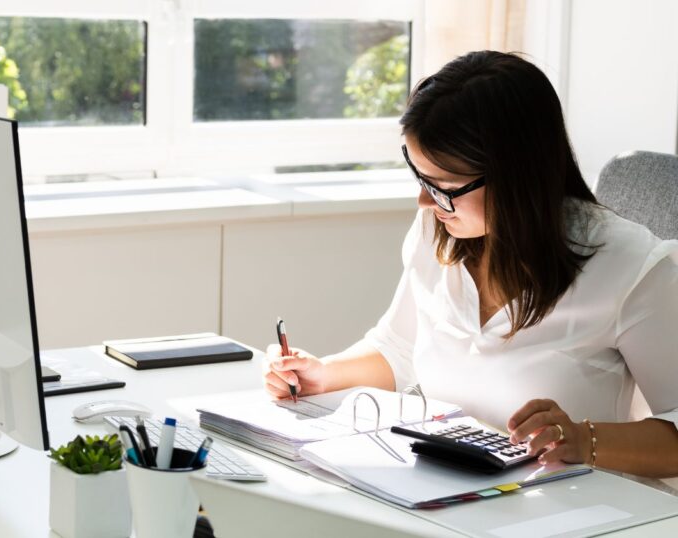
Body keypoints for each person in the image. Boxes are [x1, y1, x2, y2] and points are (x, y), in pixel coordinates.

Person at [263, 51, 678, 478]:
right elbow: (399, 348)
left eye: (443, 187)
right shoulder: (438, 231)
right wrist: (325, 375)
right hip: (449, 485)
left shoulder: (634, 268)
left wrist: (584, 440)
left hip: (570, 508)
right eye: (420, 178)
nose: (425, 202)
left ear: (516, 176)